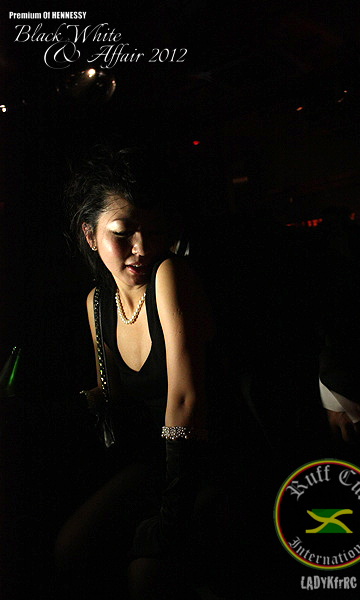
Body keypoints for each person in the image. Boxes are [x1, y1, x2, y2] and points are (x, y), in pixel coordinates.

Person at [54, 145, 246, 600]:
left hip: (207, 461)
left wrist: (169, 516)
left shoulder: (170, 275)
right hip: (150, 463)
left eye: (154, 232)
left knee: (146, 577)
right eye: (122, 234)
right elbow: (111, 396)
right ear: (89, 235)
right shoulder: (97, 304)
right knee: (68, 551)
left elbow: (186, 400)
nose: (141, 248)